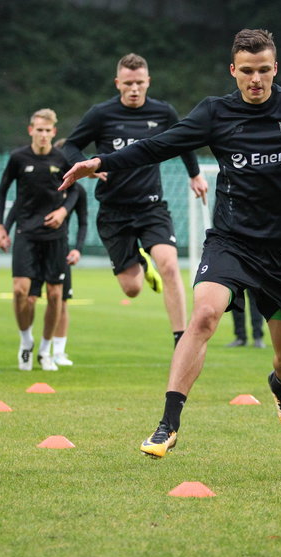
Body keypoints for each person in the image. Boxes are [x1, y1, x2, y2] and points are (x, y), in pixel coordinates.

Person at [60, 29, 281, 458]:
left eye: (263, 71)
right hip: (230, 241)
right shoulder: (215, 113)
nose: (255, 80)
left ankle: (279, 387)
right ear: (233, 71)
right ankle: (167, 425)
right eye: (247, 72)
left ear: (275, 69)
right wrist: (99, 162)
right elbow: (157, 147)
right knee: (202, 317)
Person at [61, 53, 209, 348]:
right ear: (118, 83)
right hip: (114, 211)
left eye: (140, 83)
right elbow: (70, 146)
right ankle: (141, 261)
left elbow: (183, 140)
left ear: (148, 82)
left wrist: (195, 174)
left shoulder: (163, 112)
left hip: (151, 206)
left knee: (169, 264)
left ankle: (181, 338)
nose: (134, 89)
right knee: (132, 289)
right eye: (128, 83)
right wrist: (85, 168)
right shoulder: (101, 115)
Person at [0, 108, 80, 371]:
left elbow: (75, 189)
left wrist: (63, 211)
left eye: (47, 131)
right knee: (21, 292)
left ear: (54, 132)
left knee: (55, 296)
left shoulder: (62, 158)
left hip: (55, 236)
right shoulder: (18, 158)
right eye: (38, 130)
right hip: (26, 234)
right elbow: (2, 192)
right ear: (31, 130)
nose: (43, 135)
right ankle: (26, 341)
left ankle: (45, 350)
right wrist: (0, 226)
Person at [6, 176, 88, 367]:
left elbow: (83, 221)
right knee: (29, 298)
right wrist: (6, 229)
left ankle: (55, 352)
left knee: (60, 300)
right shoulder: (39, 183)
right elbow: (18, 206)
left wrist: (78, 248)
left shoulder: (77, 191)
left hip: (59, 249)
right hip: (35, 247)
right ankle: (27, 342)